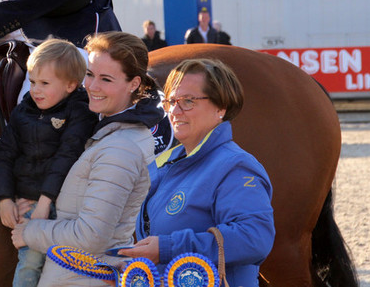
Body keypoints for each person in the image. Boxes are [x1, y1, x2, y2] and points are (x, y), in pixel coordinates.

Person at [11, 32, 164, 286]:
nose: (92, 86)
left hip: (82, 278)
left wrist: (30, 231)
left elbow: (91, 235)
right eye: (90, 75)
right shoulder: (105, 130)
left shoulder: (121, 148)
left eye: (106, 79)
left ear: (134, 83)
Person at [118, 59, 275, 286]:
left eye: (188, 101)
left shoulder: (235, 166)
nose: (175, 110)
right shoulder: (167, 162)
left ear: (221, 108)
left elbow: (255, 238)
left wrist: (167, 248)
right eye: (171, 101)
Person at [0, 38, 97, 287]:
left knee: (54, 263)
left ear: (71, 85)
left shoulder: (80, 112)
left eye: (44, 83)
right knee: (30, 260)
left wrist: (44, 203)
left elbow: (66, 157)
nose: (35, 90)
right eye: (32, 82)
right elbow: (4, 154)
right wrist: (5, 198)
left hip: (61, 204)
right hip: (28, 201)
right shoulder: (23, 112)